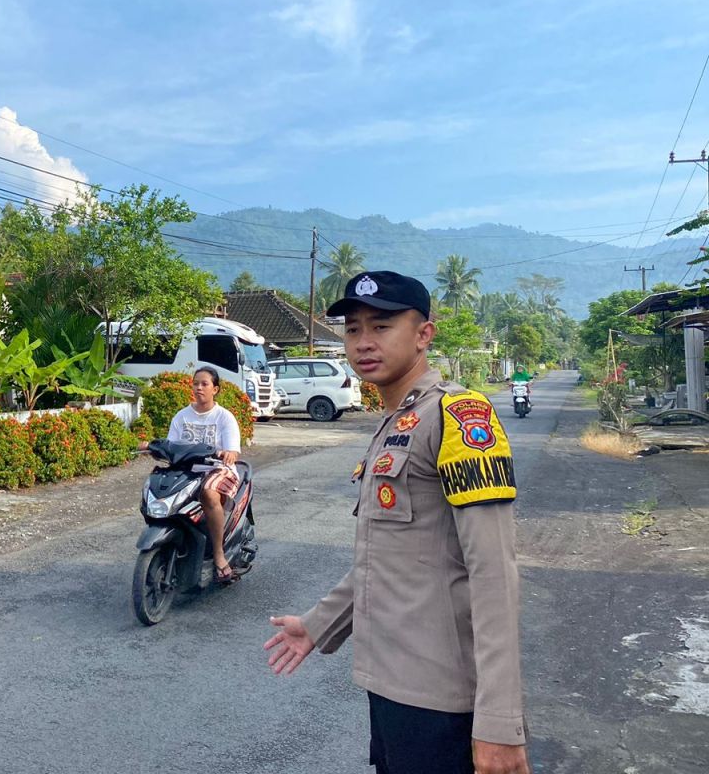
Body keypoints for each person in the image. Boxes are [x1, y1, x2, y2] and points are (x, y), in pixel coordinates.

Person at [264, 271, 531, 774]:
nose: (363, 342)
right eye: (352, 329)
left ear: (423, 334)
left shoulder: (458, 415)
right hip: (389, 685)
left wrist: (498, 722)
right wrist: (319, 625)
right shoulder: (394, 420)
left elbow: (495, 576)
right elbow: (390, 555)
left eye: (381, 326)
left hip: (442, 700)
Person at [165, 366, 242, 584]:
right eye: (196, 383)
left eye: (204, 384)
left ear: (215, 389)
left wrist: (228, 453)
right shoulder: (181, 416)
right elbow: (172, 446)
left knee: (209, 493)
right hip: (188, 470)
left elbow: (233, 451)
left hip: (219, 470)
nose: (199, 387)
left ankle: (218, 554)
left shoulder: (224, 417)